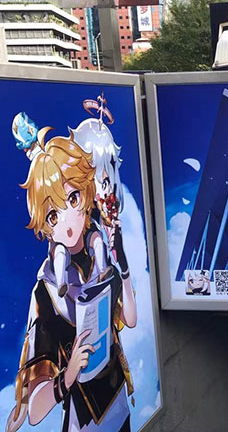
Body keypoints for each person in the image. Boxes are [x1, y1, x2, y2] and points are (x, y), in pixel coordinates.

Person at [5, 127, 135, 432]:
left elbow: (130, 319)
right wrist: (68, 375)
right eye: (53, 215)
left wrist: (124, 269)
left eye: (73, 197)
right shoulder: (46, 292)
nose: (66, 221)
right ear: (45, 225)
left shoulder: (100, 260)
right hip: (84, 420)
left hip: (119, 404)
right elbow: (35, 412)